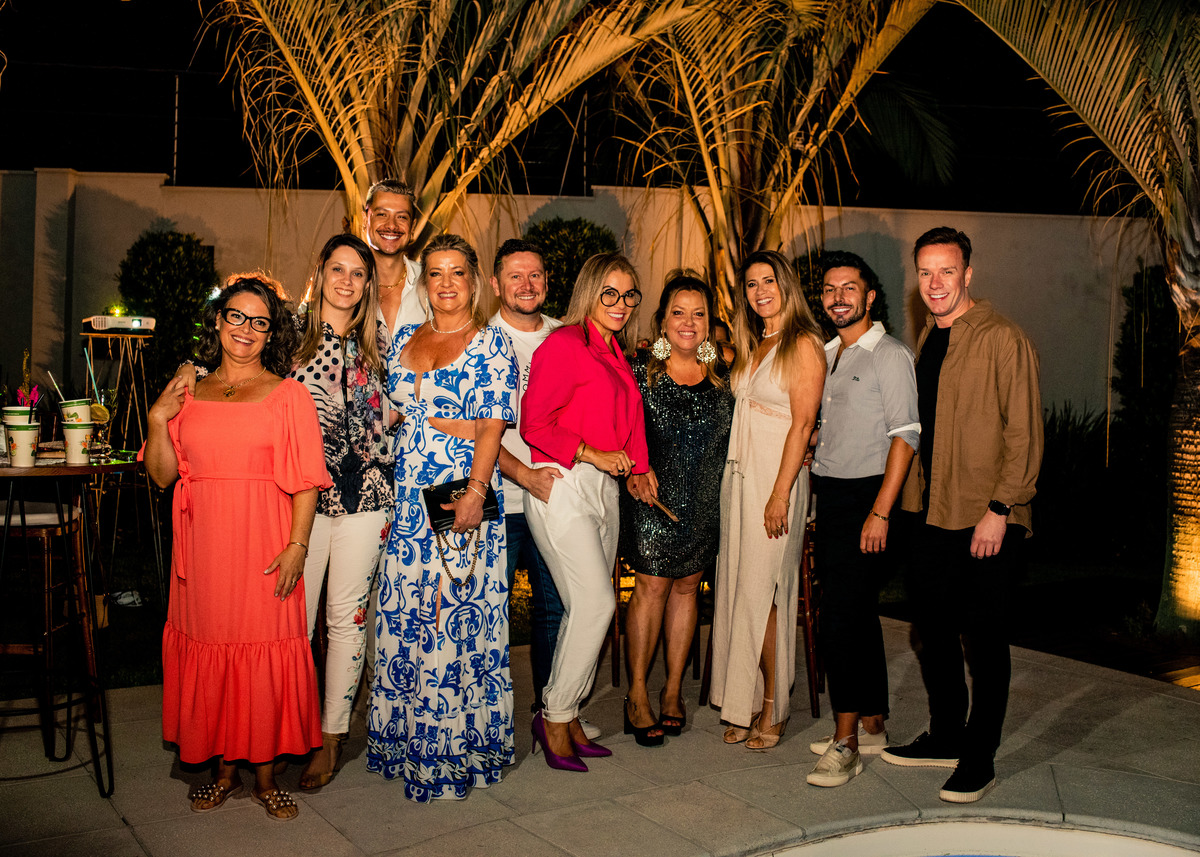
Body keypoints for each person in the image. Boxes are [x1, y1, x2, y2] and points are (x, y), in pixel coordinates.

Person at [143, 274, 331, 821]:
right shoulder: (187, 393)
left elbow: (305, 481)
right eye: (236, 316)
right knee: (213, 645)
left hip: (264, 541)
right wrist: (157, 419)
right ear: (219, 320)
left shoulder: (288, 394)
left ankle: (267, 777)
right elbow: (162, 476)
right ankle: (224, 772)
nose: (246, 329)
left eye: (259, 322)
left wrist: (298, 545)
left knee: (262, 648)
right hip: (202, 547)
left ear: (271, 333)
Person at [880, 227, 1042, 804]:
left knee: (985, 640)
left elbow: (1024, 432)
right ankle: (947, 734)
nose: (935, 283)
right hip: (931, 512)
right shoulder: (930, 336)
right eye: (925, 272)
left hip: (986, 515)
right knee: (933, 629)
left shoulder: (1003, 338)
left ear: (968, 274)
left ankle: (980, 756)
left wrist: (1001, 507)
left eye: (946, 271)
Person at [367, 233, 518, 802]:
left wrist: (477, 490)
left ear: (475, 281)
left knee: (451, 622)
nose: (447, 283)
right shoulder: (408, 336)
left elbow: (491, 426)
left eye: (457, 272)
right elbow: (393, 411)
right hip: (408, 502)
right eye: (436, 273)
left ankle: (453, 753)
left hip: (459, 497)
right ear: (424, 282)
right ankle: (406, 744)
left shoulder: (491, 344)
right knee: (408, 618)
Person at [520, 252, 650, 771]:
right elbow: (534, 423)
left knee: (585, 611)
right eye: (609, 293)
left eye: (629, 294)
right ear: (590, 292)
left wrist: (640, 468)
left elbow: (630, 416)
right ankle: (553, 717)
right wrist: (593, 453)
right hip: (564, 483)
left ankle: (568, 714)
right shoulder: (565, 344)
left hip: (605, 489)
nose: (621, 304)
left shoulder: (614, 349)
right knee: (597, 605)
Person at [805, 251, 919, 788]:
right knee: (857, 613)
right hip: (831, 496)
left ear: (870, 296)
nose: (838, 298)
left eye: (849, 288)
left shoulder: (889, 355)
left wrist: (880, 511)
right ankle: (873, 724)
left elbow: (906, 435)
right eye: (830, 289)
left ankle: (845, 742)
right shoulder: (827, 353)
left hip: (867, 498)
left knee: (839, 619)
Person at [287, 235, 394, 790]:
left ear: (367, 283)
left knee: (347, 620)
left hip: (367, 498)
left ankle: (331, 738)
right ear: (321, 271)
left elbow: (406, 405)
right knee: (294, 621)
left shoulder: (380, 341)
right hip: (301, 497)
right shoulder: (289, 336)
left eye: (358, 272)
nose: (347, 281)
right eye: (338, 269)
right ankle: (290, 727)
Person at [710, 250, 824, 750]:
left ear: (786, 286)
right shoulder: (754, 344)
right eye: (752, 284)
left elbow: (804, 423)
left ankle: (775, 705)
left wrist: (781, 493)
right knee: (741, 590)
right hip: (740, 479)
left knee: (768, 595)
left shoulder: (804, 343)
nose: (760, 291)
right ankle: (747, 700)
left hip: (776, 481)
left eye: (769, 281)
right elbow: (698, 355)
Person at [619, 273, 734, 745]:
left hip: (705, 503)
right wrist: (632, 468)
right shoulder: (640, 372)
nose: (689, 322)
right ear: (663, 320)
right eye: (678, 313)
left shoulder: (725, 375)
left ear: (709, 322)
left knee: (688, 589)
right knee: (650, 588)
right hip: (653, 500)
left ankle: (671, 691)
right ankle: (637, 693)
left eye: (698, 313)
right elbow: (617, 429)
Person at [488, 239, 567, 712]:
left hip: (555, 498)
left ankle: (552, 714)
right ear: (496, 284)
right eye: (515, 275)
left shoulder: (567, 337)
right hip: (499, 499)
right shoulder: (479, 341)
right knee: (490, 611)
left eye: (534, 274)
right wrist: (525, 475)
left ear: (546, 282)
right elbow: (473, 432)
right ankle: (490, 717)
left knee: (554, 607)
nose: (526, 284)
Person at [363, 179, 426, 338]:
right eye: (382, 214)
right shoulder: (345, 282)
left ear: (412, 227)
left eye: (402, 217)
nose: (391, 225)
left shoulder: (431, 282)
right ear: (366, 220)